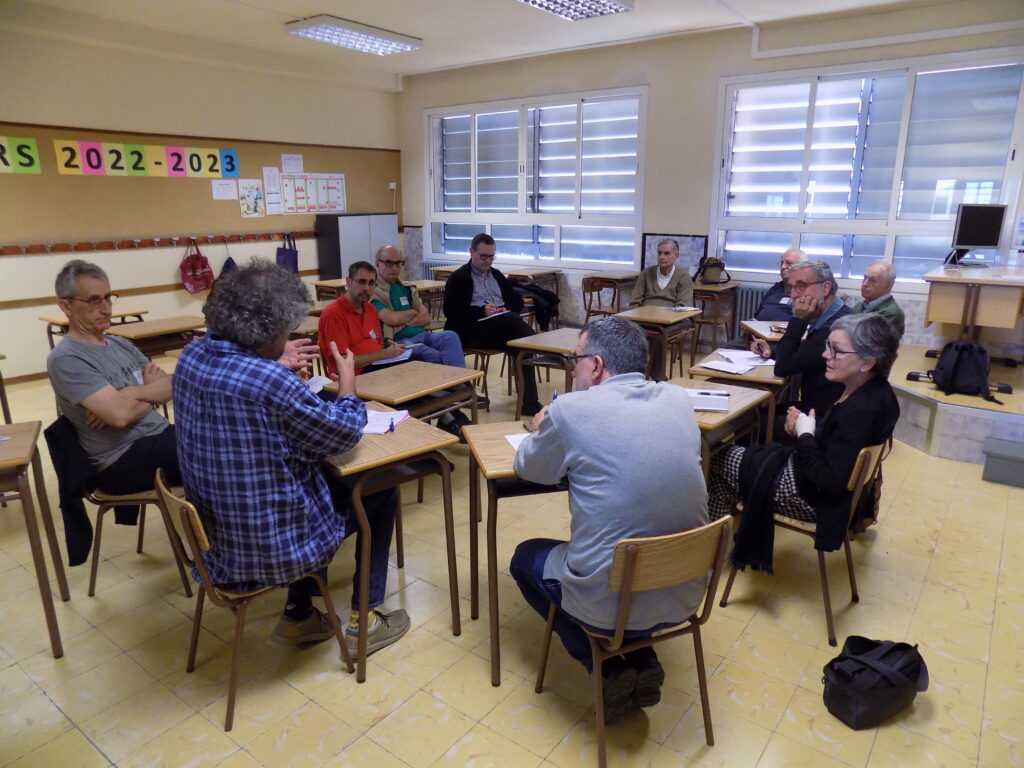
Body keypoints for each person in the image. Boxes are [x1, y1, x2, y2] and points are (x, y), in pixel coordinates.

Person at [173, 259, 410, 653]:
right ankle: (363, 622)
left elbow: (248, 390)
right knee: (379, 488)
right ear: (265, 331)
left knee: (312, 480)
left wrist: (273, 363)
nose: (288, 337)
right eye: (284, 330)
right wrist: (347, 379)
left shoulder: (191, 357)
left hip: (215, 543)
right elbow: (344, 433)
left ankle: (299, 616)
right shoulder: (269, 381)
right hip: (269, 550)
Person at [509, 316, 709, 722]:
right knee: (635, 554)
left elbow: (530, 469)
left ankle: (604, 667)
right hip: (685, 587)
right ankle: (642, 657)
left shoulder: (570, 411)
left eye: (575, 360)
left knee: (524, 557)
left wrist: (538, 427)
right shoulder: (678, 399)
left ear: (596, 365)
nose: (573, 369)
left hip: (612, 588)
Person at [708, 313, 900, 570]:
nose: (825, 355)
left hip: (811, 498)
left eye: (836, 350)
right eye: (827, 346)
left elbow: (828, 481)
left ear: (867, 362)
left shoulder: (859, 411)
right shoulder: (879, 393)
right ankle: (715, 544)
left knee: (717, 455)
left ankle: (709, 549)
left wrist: (805, 434)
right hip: (822, 489)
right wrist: (805, 429)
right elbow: (838, 449)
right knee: (738, 459)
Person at [46, 260, 179, 495]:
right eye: (94, 300)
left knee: (221, 434)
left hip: (158, 436)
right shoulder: (65, 358)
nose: (106, 308)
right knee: (214, 451)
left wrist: (132, 393)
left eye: (108, 297)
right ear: (66, 306)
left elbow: (172, 385)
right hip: (120, 459)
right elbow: (120, 416)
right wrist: (150, 391)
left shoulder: (120, 343)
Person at [322, 256, 471, 439]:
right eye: (361, 282)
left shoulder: (369, 310)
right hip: (354, 377)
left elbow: (377, 347)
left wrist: (391, 352)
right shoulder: (334, 314)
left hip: (376, 369)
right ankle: (447, 410)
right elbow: (344, 364)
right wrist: (383, 354)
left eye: (371, 283)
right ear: (348, 282)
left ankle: (442, 412)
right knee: (419, 361)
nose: (366, 288)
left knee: (416, 362)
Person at [442, 233, 543, 415]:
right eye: (483, 257)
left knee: (521, 346)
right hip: (472, 330)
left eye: (491, 257)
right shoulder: (459, 278)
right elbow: (451, 312)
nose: (488, 261)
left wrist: (504, 307)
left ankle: (530, 403)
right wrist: (482, 311)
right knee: (515, 325)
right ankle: (538, 343)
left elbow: (517, 302)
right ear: (472, 252)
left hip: (500, 327)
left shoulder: (496, 275)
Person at [751, 260, 852, 418]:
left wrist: (799, 319)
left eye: (801, 286)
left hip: (824, 418)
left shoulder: (833, 330)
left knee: (752, 423)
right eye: (791, 288)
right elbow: (805, 356)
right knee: (755, 415)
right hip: (819, 407)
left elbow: (782, 369)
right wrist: (772, 352)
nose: (793, 295)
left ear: (825, 288)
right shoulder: (838, 314)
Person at [371, 245, 466, 367]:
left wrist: (402, 324)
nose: (394, 268)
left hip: (422, 335)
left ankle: (456, 381)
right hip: (399, 340)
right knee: (434, 355)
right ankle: (455, 383)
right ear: (378, 264)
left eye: (398, 263)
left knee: (450, 337)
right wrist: (412, 313)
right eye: (389, 263)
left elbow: (426, 317)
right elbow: (392, 319)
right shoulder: (374, 292)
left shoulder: (406, 288)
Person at [628, 238, 695, 308]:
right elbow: (634, 302)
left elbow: (683, 307)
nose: (661, 257)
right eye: (659, 253)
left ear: (676, 256)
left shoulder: (684, 277)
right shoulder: (646, 273)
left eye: (666, 253)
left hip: (671, 316)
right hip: (645, 315)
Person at [852, 261, 905, 337]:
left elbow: (865, 341)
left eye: (872, 280)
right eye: (865, 278)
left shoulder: (892, 313)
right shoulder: (860, 306)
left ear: (888, 285)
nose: (865, 284)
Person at [754, 248, 807, 321]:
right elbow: (757, 313)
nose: (783, 267)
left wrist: (767, 325)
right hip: (758, 330)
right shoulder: (775, 288)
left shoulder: (806, 293)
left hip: (781, 331)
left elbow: (800, 321)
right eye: (782, 263)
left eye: (789, 263)